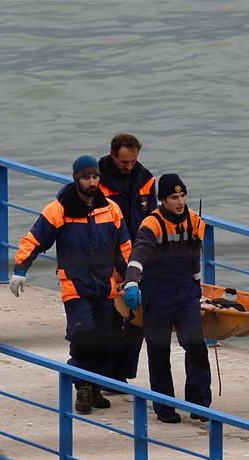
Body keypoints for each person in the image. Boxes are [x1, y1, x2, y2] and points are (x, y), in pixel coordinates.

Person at [9, 155, 132, 414]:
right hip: (75, 285)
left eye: (95, 177)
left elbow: (124, 248)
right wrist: (21, 269)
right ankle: (83, 388)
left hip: (105, 285)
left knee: (106, 339)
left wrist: (131, 279)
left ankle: (95, 384)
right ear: (77, 178)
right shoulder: (59, 209)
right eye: (86, 177)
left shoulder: (111, 209)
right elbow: (34, 239)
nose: (91, 182)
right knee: (83, 334)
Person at [122, 173, 212, 424]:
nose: (180, 201)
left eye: (183, 196)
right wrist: (131, 282)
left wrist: (198, 288)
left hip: (185, 293)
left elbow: (195, 257)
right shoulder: (151, 224)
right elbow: (138, 255)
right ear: (163, 200)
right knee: (159, 351)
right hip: (157, 293)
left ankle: (200, 404)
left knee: (196, 346)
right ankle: (165, 407)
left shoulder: (195, 221)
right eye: (174, 197)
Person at [98, 133, 157, 392]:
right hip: (108, 257)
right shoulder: (97, 181)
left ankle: (121, 374)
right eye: (124, 162)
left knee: (137, 318)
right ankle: (106, 374)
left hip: (139, 256)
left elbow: (153, 219)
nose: (129, 166)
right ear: (113, 155)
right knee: (109, 318)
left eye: (133, 161)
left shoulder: (146, 180)